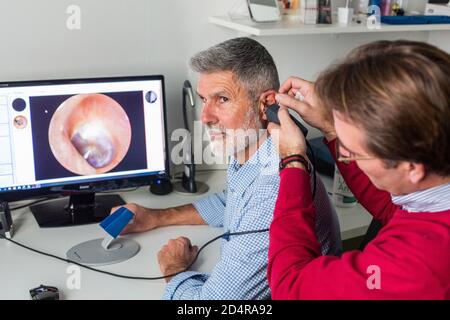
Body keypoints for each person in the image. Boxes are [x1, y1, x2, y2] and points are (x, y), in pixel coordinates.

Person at [112, 37, 341, 299]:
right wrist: (155, 217)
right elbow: (230, 201)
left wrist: (173, 268)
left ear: (266, 105)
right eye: (203, 99)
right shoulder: (250, 148)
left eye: (222, 99)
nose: (205, 117)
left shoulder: (274, 186)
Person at [267, 40, 450, 299]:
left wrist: (293, 162)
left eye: (353, 151)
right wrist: (332, 129)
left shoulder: (415, 266)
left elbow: (290, 286)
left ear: (412, 167)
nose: (343, 155)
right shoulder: (433, 193)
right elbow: (392, 211)